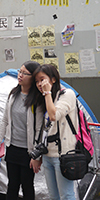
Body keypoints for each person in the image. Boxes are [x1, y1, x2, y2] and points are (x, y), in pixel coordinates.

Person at [0, 61, 44, 200]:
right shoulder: (13, 94)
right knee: (12, 184)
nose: (20, 75)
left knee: (27, 185)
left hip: (28, 151)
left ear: (33, 78)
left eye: (24, 73)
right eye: (20, 72)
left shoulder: (37, 100)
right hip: (12, 147)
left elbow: (39, 129)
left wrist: (36, 156)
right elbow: (5, 120)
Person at [33, 64, 77, 200]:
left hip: (64, 155)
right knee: (53, 196)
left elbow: (54, 115)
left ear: (53, 79)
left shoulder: (67, 94)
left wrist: (47, 93)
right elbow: (45, 130)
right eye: (37, 81)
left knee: (67, 195)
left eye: (42, 79)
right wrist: (37, 156)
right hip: (47, 155)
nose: (39, 84)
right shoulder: (46, 99)